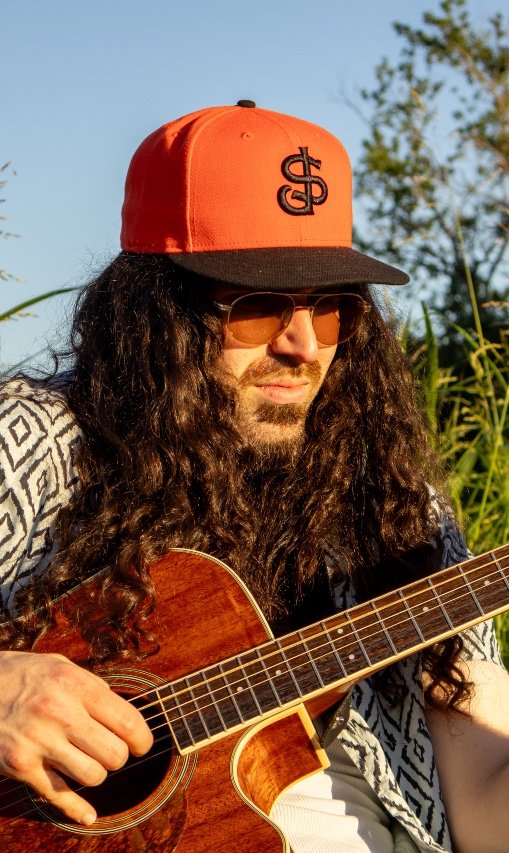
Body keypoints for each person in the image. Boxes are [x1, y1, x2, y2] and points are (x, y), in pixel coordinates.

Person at [0, 100, 508, 853]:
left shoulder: (397, 507)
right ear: (156, 311)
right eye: (258, 306)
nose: (303, 344)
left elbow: (481, 799)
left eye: (331, 308)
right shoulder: (34, 440)